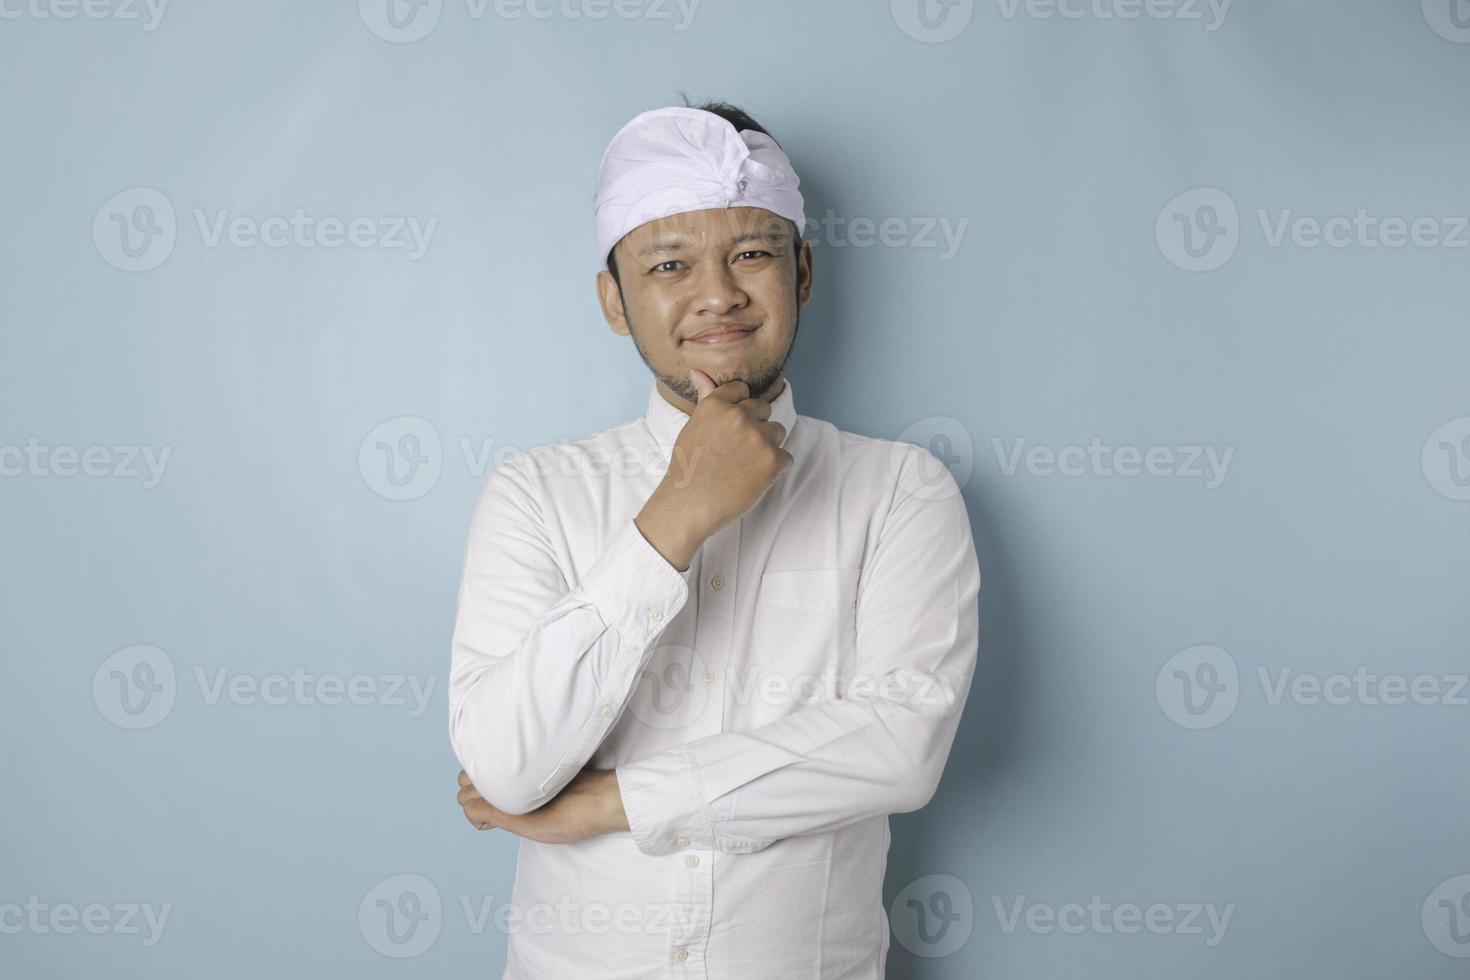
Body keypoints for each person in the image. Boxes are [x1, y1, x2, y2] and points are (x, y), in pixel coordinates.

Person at [448, 98, 981, 979]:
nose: (718, 294)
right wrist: (677, 517)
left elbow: (900, 745)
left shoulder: (900, 492)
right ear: (614, 302)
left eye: (753, 253)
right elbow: (507, 768)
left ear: (802, 273)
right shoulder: (534, 495)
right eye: (669, 263)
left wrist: (616, 803)